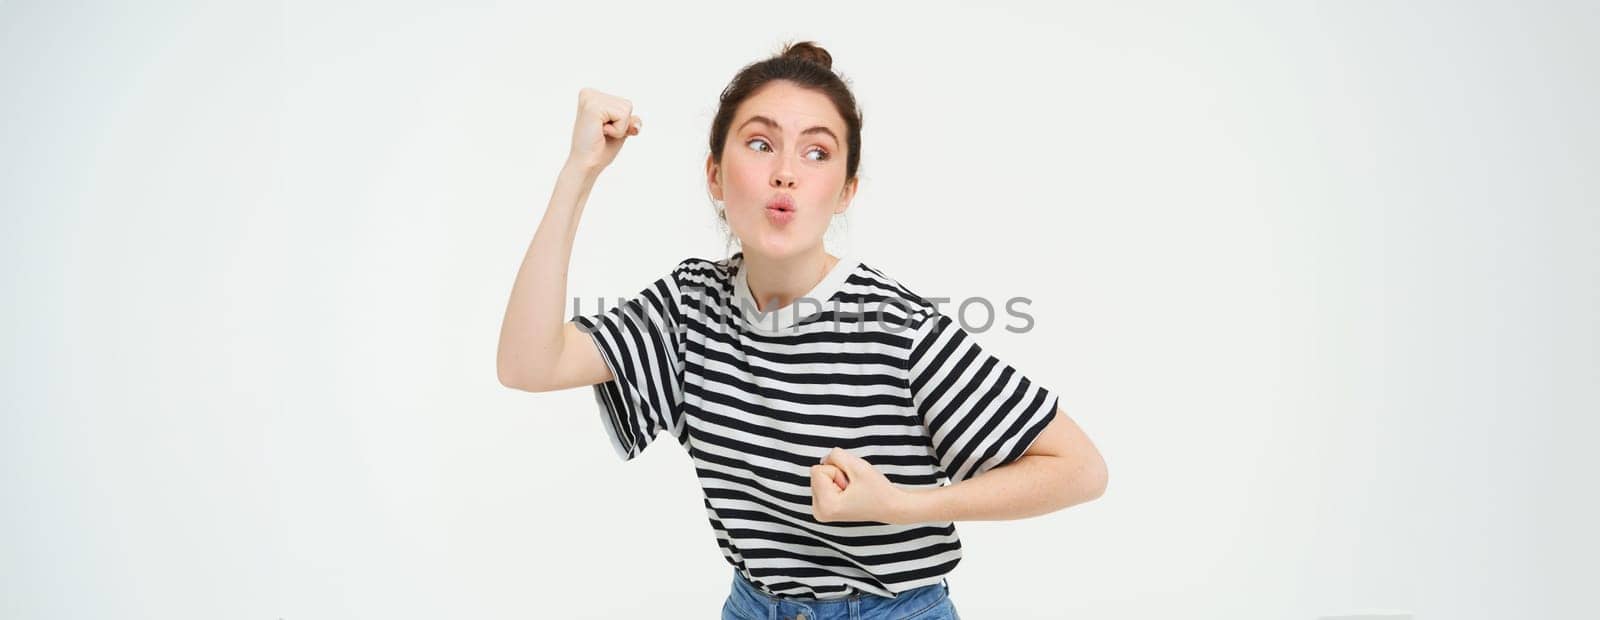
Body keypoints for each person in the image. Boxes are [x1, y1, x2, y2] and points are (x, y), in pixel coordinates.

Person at [497, 40, 1108, 620]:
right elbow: (529, 364)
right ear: (714, 174)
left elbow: (1079, 467)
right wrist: (581, 170)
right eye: (760, 144)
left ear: (846, 192)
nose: (786, 172)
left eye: (816, 153)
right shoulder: (689, 307)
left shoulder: (897, 328)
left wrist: (902, 505)